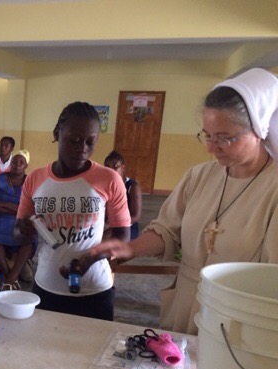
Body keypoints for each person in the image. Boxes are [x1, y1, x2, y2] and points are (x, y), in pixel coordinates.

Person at [91, 68, 278, 334]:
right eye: (207, 135)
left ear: (260, 129)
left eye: (224, 138)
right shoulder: (199, 176)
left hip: (238, 315)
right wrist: (130, 249)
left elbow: (271, 278)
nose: (211, 147)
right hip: (186, 300)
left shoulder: (273, 189)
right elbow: (167, 230)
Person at [11, 102, 131, 321]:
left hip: (94, 290)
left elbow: (123, 237)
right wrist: (24, 230)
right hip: (47, 287)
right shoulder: (36, 179)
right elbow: (18, 234)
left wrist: (90, 258)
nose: (82, 148)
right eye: (74, 140)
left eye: (90, 142)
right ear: (57, 133)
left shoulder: (109, 179)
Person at [0, 150, 33, 290]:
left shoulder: (30, 182)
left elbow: (30, 210)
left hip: (21, 219)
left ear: (26, 166)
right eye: (15, 161)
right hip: (0, 217)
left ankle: (13, 273)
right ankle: (10, 275)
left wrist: (3, 203)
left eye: (21, 162)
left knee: (29, 237)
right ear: (10, 163)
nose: (17, 164)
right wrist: (17, 208)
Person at [104, 150, 142, 239]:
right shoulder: (103, 185)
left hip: (127, 225)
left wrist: (109, 225)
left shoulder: (132, 186)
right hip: (107, 223)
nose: (111, 170)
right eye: (107, 167)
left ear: (123, 168)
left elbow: (136, 216)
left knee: (105, 238)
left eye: (115, 166)